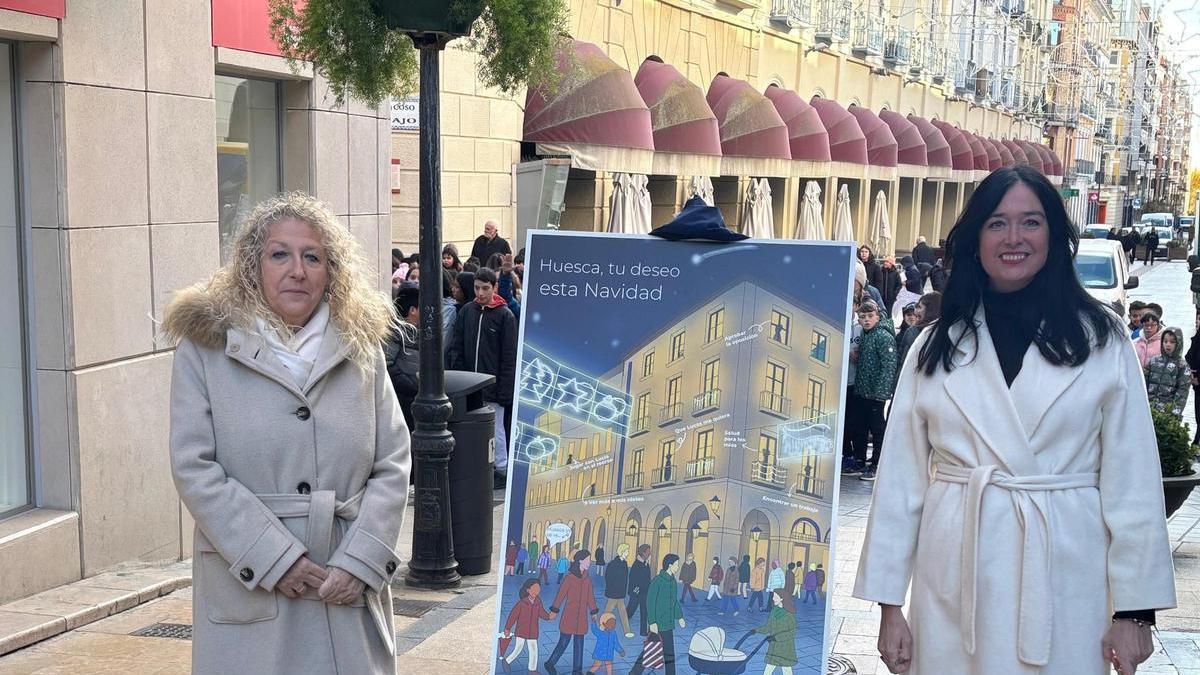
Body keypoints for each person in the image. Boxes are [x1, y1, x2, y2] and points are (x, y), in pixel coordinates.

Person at [854, 166, 1175, 675]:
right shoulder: (936, 345)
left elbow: (1132, 481)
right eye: (997, 223)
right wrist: (889, 606)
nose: (1014, 238)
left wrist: (1134, 611)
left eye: (1031, 222)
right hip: (956, 579)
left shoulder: (1102, 339)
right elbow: (899, 483)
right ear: (977, 237)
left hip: (1064, 576)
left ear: (1053, 234)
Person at [164, 192, 409, 674]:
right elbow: (194, 467)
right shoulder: (206, 349)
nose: (297, 269)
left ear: (331, 270)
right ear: (253, 267)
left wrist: (361, 561)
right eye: (280, 254)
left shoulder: (362, 350)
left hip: (345, 587)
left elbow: (393, 461)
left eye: (312, 256)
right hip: (251, 591)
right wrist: (273, 557)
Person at [448, 267, 517, 489]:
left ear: (494, 288)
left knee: (496, 430)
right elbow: (457, 345)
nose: (480, 293)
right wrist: (460, 377)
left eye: (485, 288)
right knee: (472, 429)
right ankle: (479, 467)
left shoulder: (504, 315)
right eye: (477, 288)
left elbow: (509, 357)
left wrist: (504, 389)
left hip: (493, 386)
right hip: (470, 385)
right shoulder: (468, 311)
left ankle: (501, 468)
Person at [854, 300, 898, 481]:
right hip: (864, 390)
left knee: (877, 428)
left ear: (878, 317)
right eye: (862, 317)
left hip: (876, 393)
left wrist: (881, 393)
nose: (866, 320)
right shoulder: (866, 335)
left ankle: (876, 463)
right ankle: (861, 460)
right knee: (862, 426)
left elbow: (889, 365)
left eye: (870, 316)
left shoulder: (883, 336)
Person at [629, 554, 687, 675]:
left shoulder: (672, 582)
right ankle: (634, 673)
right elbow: (650, 603)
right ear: (670, 565)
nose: (678, 567)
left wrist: (680, 616)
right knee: (649, 651)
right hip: (658, 624)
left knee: (669, 652)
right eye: (676, 564)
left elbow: (674, 601)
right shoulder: (657, 581)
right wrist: (652, 622)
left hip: (668, 623)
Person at [545, 550, 599, 675]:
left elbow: (590, 596)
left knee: (579, 644)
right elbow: (560, 595)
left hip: (581, 618)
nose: (589, 563)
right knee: (563, 642)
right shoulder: (569, 578)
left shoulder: (587, 579)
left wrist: (594, 611)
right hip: (569, 616)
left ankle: (577, 671)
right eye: (588, 560)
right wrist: (554, 610)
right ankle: (550, 663)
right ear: (580, 560)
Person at [501, 578, 553, 674]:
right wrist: (507, 628)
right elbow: (513, 615)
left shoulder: (538, 602)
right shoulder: (522, 603)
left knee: (533, 650)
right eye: (533, 589)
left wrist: (549, 616)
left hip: (533, 631)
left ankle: (532, 671)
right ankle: (507, 661)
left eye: (538, 589)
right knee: (518, 649)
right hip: (522, 630)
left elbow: (542, 613)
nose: (536, 592)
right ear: (528, 590)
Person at [1144, 327, 1190, 419]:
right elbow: (1143, 383)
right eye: (1165, 341)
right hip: (1148, 408)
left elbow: (1182, 391)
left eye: (1172, 342)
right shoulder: (1153, 361)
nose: (1168, 345)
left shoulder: (1182, 366)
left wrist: (1175, 414)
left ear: (1178, 343)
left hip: (1167, 412)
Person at [756, 590, 799, 675]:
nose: (773, 598)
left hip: (785, 647)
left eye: (775, 597)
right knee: (769, 668)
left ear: (782, 598)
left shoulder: (789, 614)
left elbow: (792, 633)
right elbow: (768, 627)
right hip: (774, 647)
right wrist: (755, 630)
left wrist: (777, 637)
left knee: (786, 669)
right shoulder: (774, 610)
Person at [896, 292, 942, 371]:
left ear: (930, 310)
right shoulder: (911, 331)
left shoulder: (913, 332)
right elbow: (901, 360)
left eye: (919, 307)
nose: (915, 311)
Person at [602, 543, 634, 637]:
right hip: (614, 592)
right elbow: (608, 577)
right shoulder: (613, 563)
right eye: (627, 551)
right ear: (622, 552)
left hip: (620, 592)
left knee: (622, 612)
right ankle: (603, 626)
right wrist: (611, 588)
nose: (628, 553)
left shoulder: (624, 563)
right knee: (609, 611)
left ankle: (627, 631)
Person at [627, 544, 653, 636]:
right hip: (637, 592)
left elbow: (647, 578)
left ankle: (643, 631)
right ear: (643, 553)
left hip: (645, 592)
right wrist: (636, 590)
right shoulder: (636, 564)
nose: (650, 553)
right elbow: (633, 578)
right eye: (648, 551)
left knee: (644, 611)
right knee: (631, 608)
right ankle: (625, 618)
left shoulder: (646, 564)